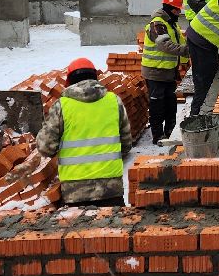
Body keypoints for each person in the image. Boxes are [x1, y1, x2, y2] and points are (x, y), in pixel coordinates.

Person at [12, 57, 133, 206]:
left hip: (75, 191)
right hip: (111, 188)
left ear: (69, 81)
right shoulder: (114, 101)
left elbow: (45, 148)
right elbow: (126, 144)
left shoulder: (62, 106)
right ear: (95, 77)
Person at [142, 0, 187, 144]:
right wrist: (187, 51)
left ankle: (170, 130)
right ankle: (157, 135)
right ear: (169, 8)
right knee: (157, 104)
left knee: (170, 102)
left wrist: (185, 59)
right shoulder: (157, 24)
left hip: (168, 72)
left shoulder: (171, 23)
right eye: (177, 10)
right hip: (155, 72)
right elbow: (164, 45)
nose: (179, 12)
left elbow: (180, 42)